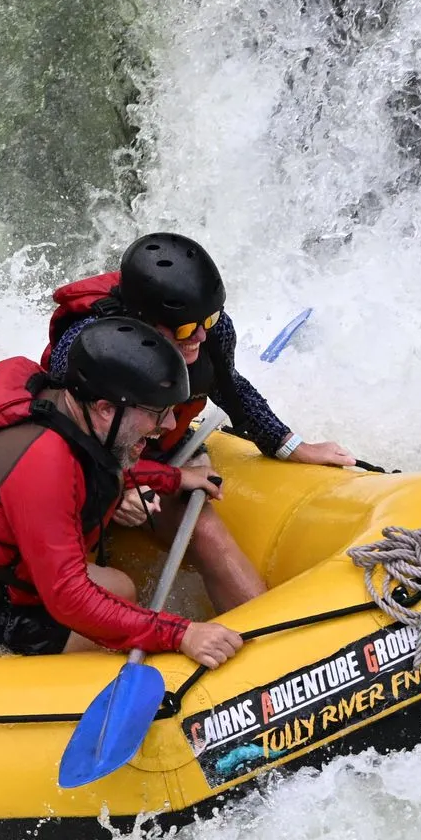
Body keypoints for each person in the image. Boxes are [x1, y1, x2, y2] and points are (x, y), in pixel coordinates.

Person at [0, 318, 244, 666]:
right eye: (158, 412)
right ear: (105, 409)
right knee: (108, 632)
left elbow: (97, 463)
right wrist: (180, 634)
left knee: (119, 587)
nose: (170, 424)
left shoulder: (61, 405)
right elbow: (70, 598)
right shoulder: (42, 461)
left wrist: (172, 478)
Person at [44, 233, 355, 611]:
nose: (200, 335)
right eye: (184, 329)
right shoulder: (86, 347)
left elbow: (229, 387)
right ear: (141, 320)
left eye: (207, 319)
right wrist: (119, 484)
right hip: (86, 464)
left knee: (205, 530)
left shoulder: (210, 329)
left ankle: (271, 636)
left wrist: (289, 444)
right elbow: (59, 434)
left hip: (156, 452)